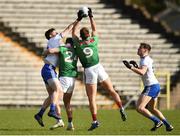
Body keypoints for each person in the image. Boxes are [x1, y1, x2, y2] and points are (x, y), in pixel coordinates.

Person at [72, 8, 127, 131]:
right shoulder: (93, 41)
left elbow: (73, 32)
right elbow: (95, 29)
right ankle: (121, 107)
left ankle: (95, 121)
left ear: (81, 36)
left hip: (89, 70)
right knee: (111, 90)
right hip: (99, 66)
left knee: (91, 98)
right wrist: (91, 16)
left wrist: (79, 19)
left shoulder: (78, 44)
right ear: (89, 35)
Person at [122, 43, 174, 131]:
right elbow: (145, 71)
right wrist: (136, 67)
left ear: (145, 50)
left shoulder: (145, 60)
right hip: (156, 85)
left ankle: (157, 121)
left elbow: (142, 72)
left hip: (151, 86)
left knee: (139, 108)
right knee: (152, 109)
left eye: (140, 48)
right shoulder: (146, 59)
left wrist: (131, 67)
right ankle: (168, 125)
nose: (138, 49)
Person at [34, 21, 76, 127]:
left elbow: (48, 52)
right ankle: (52, 110)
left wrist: (45, 53)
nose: (57, 32)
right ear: (50, 35)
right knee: (59, 90)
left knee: (52, 95)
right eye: (54, 32)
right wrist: (77, 20)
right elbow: (67, 29)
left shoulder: (52, 42)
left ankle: (40, 114)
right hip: (49, 69)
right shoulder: (55, 39)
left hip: (47, 69)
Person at [45, 37, 78, 131]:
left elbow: (51, 50)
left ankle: (59, 120)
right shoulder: (75, 50)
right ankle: (70, 124)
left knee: (55, 99)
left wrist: (44, 53)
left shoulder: (63, 48)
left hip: (64, 77)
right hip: (73, 78)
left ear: (67, 43)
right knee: (67, 103)